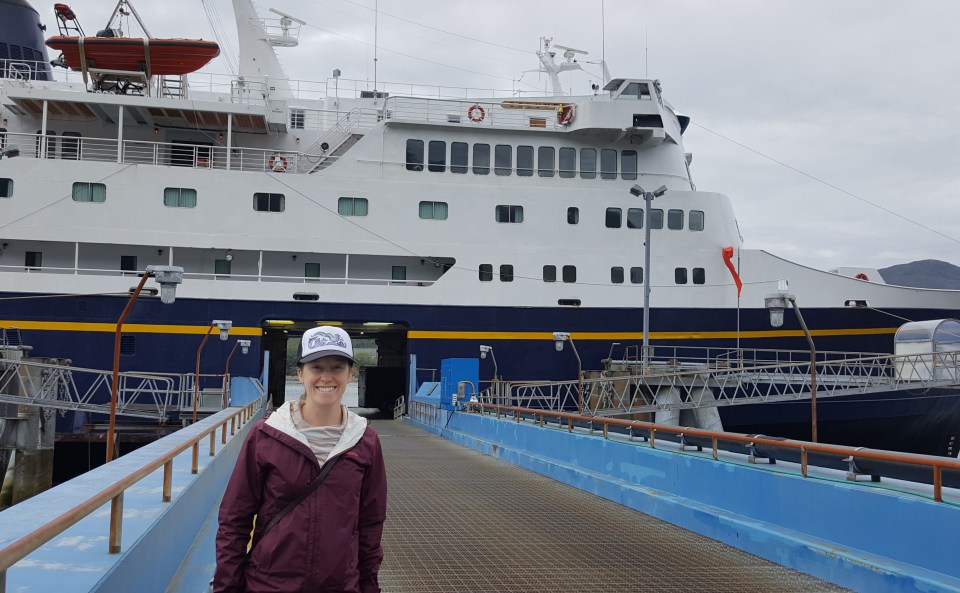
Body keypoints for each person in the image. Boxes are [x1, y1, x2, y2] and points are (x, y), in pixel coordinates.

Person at [213, 326, 388, 593]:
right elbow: (234, 519)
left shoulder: (365, 441)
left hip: (340, 586)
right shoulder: (266, 435)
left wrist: (368, 586)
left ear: (350, 375)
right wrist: (226, 587)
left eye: (337, 367)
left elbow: (370, 524)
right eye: (316, 367)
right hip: (268, 585)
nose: (326, 377)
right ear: (300, 374)